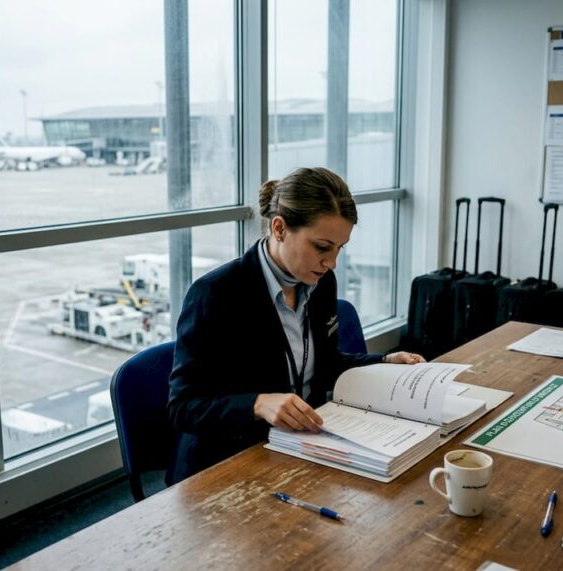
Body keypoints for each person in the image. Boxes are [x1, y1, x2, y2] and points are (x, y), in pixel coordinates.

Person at [167, 167, 423, 482]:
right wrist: (257, 404)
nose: (332, 262)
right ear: (279, 228)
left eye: (340, 248)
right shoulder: (216, 294)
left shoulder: (321, 282)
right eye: (322, 247)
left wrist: (383, 363)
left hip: (300, 446)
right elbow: (183, 407)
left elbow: (324, 365)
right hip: (228, 461)